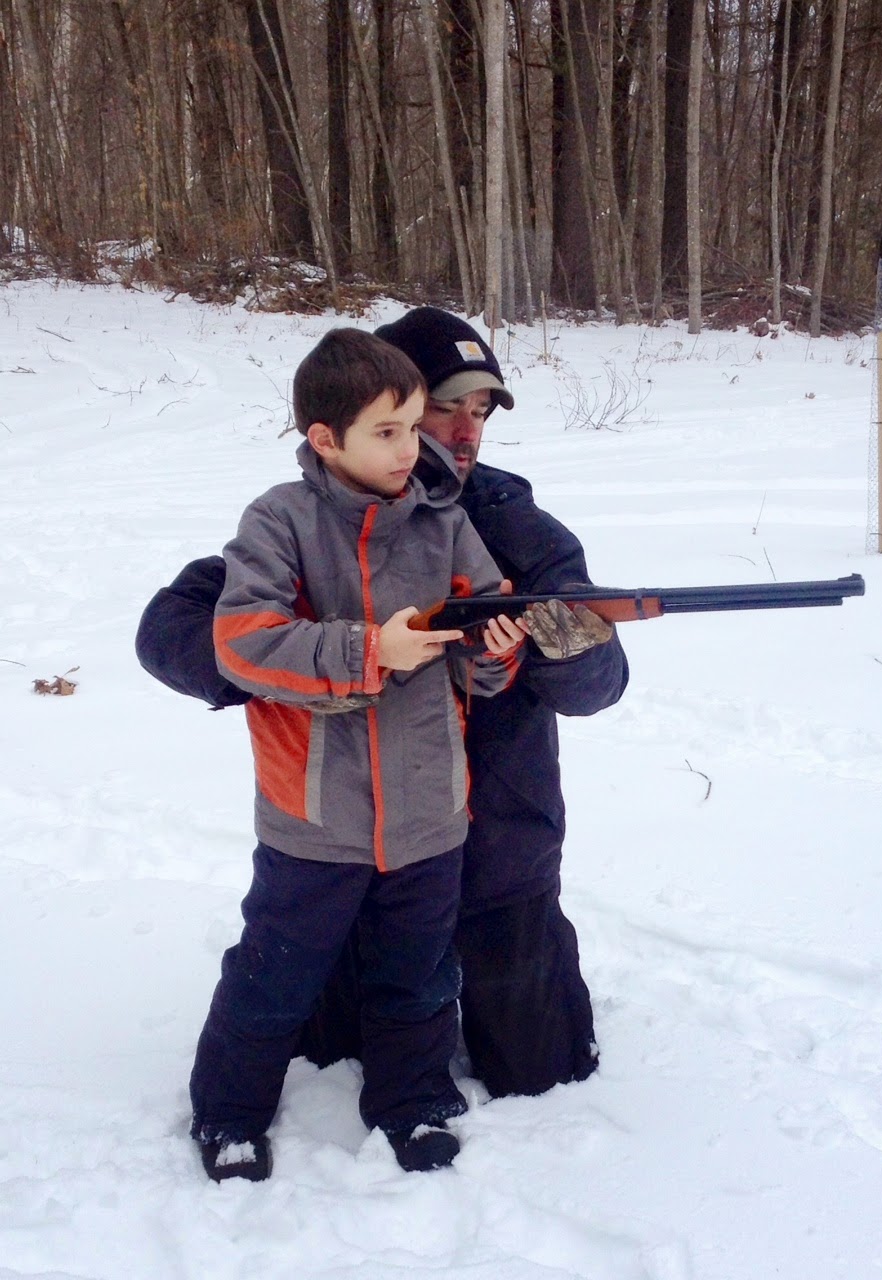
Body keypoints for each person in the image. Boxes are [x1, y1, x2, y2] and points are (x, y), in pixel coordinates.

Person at [136, 308, 629, 1102]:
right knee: (331, 1041)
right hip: (353, 850)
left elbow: (600, 686)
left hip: (500, 851)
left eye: (479, 412)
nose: (459, 433)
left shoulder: (514, 524)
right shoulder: (302, 518)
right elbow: (172, 633)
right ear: (365, 414)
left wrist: (562, 646)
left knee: (541, 1071)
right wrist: (317, 664)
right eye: (440, 408)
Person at [186, 328, 525, 1183]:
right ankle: (229, 1114)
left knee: (419, 977)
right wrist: (369, 650)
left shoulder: (443, 524)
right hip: (314, 816)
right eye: (388, 431)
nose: (412, 448)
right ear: (324, 438)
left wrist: (496, 647)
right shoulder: (280, 521)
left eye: (415, 427)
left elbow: (487, 651)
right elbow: (243, 645)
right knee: (272, 977)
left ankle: (413, 1103)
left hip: (429, 814)